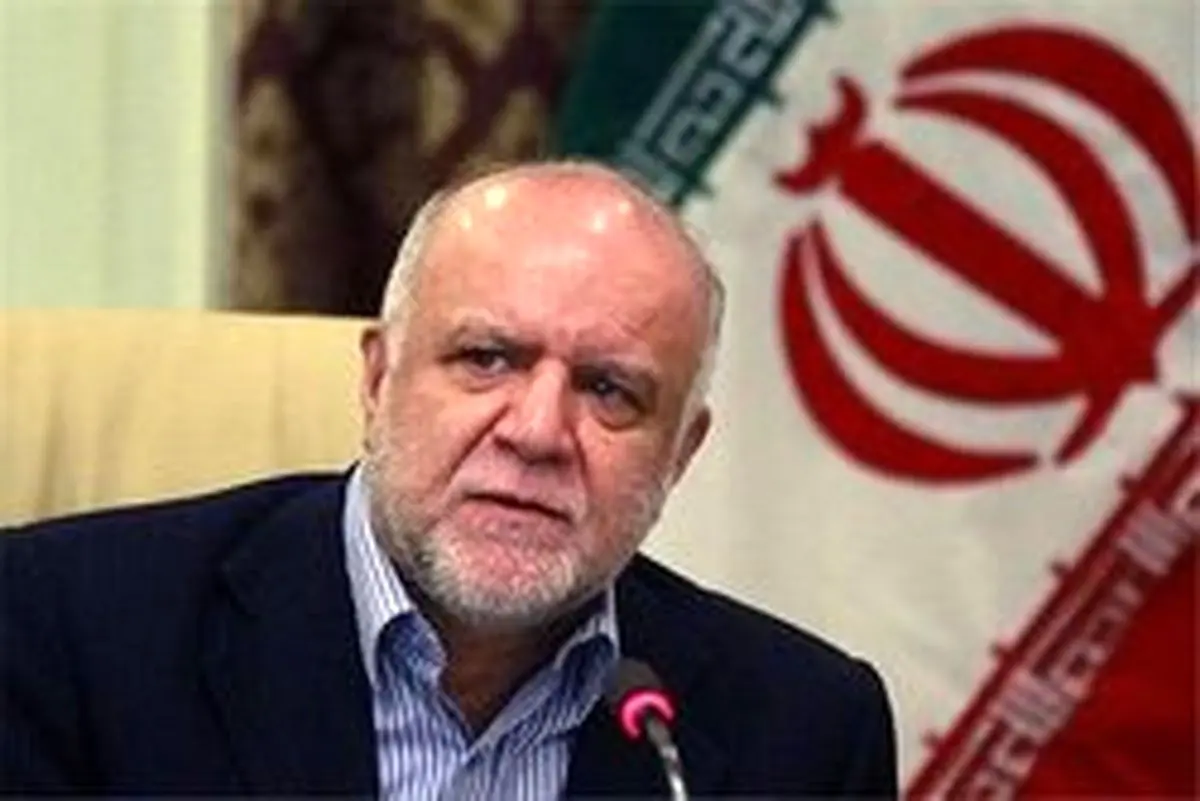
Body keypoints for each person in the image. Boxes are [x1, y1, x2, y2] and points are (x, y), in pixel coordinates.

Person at [1, 161, 897, 798]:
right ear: (378, 378)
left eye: (609, 390)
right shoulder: (60, 631)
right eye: (486, 358)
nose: (537, 432)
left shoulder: (806, 733)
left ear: (681, 453)